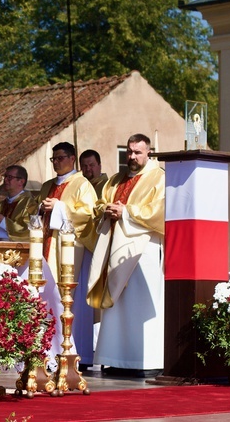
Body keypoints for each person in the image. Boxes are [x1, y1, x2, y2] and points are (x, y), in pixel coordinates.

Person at [87, 134, 165, 374]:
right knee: (117, 306)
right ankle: (116, 358)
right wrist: (106, 209)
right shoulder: (115, 180)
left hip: (144, 249)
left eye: (137, 152)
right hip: (115, 245)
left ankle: (146, 361)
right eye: (129, 152)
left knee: (139, 304)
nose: (132, 156)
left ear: (148, 153)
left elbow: (160, 210)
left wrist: (127, 212)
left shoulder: (158, 177)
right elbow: (99, 203)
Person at [36, 142, 97, 366]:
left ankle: (70, 352)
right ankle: (45, 351)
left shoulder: (82, 184)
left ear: (72, 159)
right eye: (54, 159)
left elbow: (87, 215)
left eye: (60, 158)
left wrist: (60, 208)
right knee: (43, 298)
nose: (56, 163)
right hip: (45, 246)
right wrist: (41, 209)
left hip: (67, 251)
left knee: (65, 300)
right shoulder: (47, 186)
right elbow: (37, 212)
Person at [0, 165, 37, 241]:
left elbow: (27, 230)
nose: (5, 180)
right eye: (5, 177)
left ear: (21, 181)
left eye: (10, 177)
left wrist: (4, 222)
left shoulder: (31, 204)